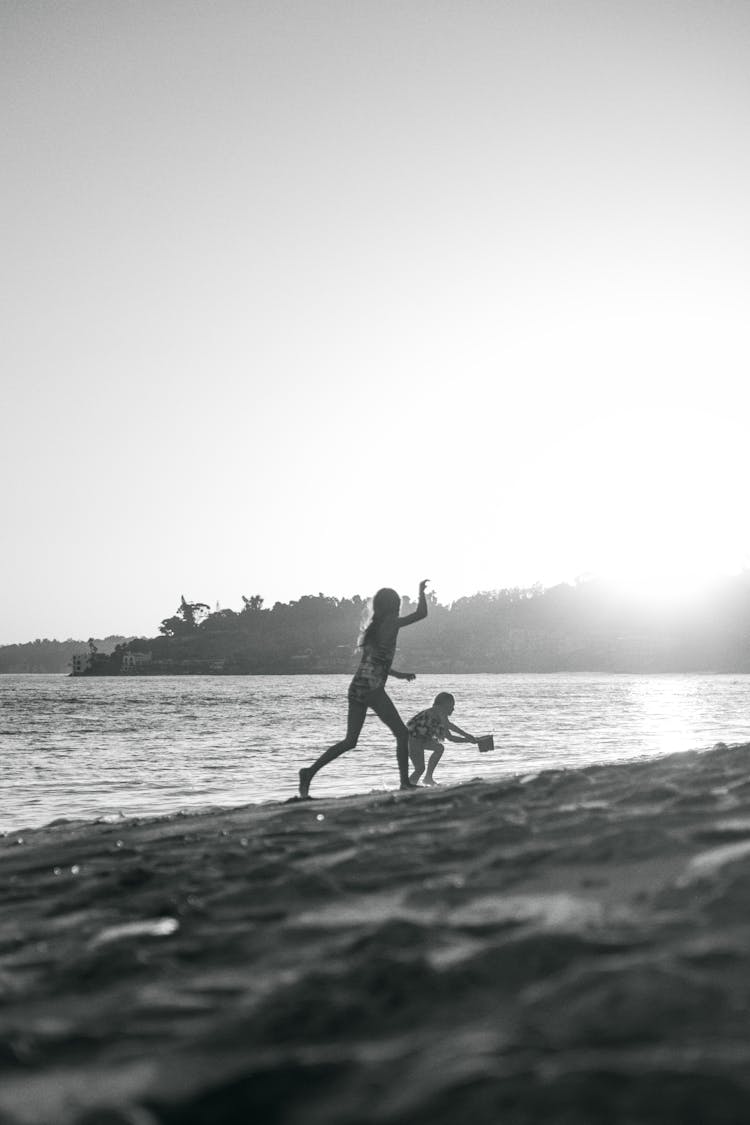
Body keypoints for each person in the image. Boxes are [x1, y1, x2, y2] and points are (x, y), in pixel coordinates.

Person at [298, 579, 430, 798]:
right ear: (392, 606)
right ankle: (405, 783)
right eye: (397, 604)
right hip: (372, 689)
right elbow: (421, 614)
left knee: (350, 741)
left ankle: (309, 772)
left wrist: (399, 675)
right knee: (402, 733)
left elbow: (376, 663)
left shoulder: (374, 628)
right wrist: (421, 592)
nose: (398, 608)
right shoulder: (391, 624)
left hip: (358, 687)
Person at [407, 692, 477, 786]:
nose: (453, 709)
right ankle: (407, 785)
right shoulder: (438, 710)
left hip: (420, 739)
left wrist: (469, 740)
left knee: (439, 748)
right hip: (411, 738)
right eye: (451, 705)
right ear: (444, 705)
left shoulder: (440, 718)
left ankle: (428, 778)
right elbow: (449, 724)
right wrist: (466, 735)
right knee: (420, 769)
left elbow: (451, 738)